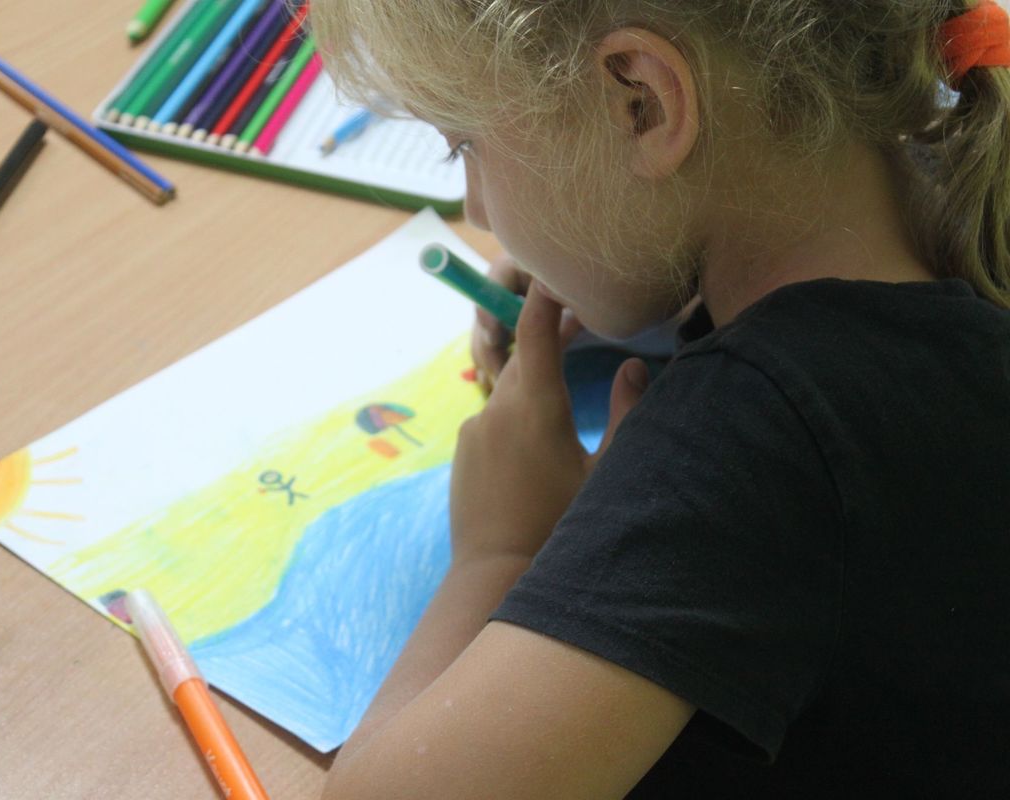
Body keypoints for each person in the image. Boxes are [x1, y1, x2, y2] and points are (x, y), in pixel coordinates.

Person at [311, 1, 1010, 797]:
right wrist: (615, 254)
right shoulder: (949, 182)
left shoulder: (749, 443)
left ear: (640, 102)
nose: (476, 210)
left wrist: (497, 550)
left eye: (464, 145)